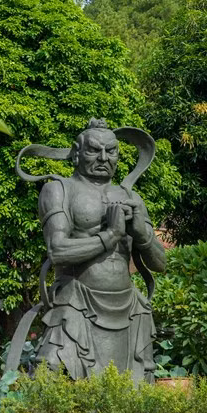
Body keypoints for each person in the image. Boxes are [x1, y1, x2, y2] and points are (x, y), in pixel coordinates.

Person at [33, 119, 166, 384]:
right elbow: (57, 251)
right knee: (49, 383)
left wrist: (141, 233)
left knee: (136, 393)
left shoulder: (131, 197)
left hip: (129, 308)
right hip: (76, 302)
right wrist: (111, 236)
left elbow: (160, 263)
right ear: (76, 153)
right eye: (94, 150)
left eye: (111, 151)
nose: (104, 158)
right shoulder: (59, 190)